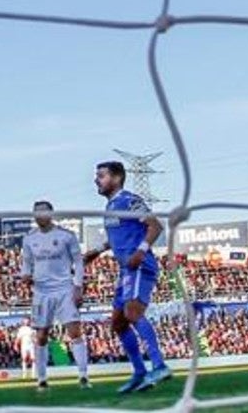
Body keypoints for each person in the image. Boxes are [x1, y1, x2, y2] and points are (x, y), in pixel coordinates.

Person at [83, 161, 172, 394]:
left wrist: (141, 250)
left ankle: (160, 366)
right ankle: (140, 372)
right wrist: (98, 250)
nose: (96, 180)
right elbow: (119, 236)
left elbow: (155, 226)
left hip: (140, 265)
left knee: (132, 314)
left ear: (116, 178)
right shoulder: (111, 208)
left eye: (101, 176)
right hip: (126, 270)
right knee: (118, 323)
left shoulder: (129, 200)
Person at [20, 200, 90, 391]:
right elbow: (26, 264)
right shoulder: (29, 239)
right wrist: (25, 275)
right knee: (41, 335)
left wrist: (77, 287)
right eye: (36, 213)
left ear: (51, 214)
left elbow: (79, 262)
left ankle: (83, 376)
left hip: (64, 288)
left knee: (74, 331)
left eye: (43, 212)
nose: (40, 216)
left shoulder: (66, 236)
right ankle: (41, 379)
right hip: (41, 292)